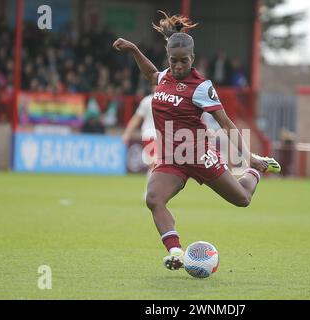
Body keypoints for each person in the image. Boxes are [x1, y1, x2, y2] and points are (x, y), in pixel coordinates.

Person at [113, 11, 281, 271]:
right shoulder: (165, 77)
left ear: (193, 59)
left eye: (184, 61)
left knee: (242, 199)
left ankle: (254, 172)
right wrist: (135, 50)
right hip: (173, 159)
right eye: (174, 61)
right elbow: (151, 74)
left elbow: (226, 124)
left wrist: (250, 157)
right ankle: (176, 252)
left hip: (200, 155)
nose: (178, 66)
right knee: (153, 198)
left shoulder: (202, 87)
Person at [122, 86, 157, 197]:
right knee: (154, 164)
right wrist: (127, 133)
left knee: (159, 166)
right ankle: (149, 192)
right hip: (150, 135)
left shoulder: (170, 100)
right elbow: (137, 118)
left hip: (165, 136)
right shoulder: (147, 101)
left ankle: (152, 192)